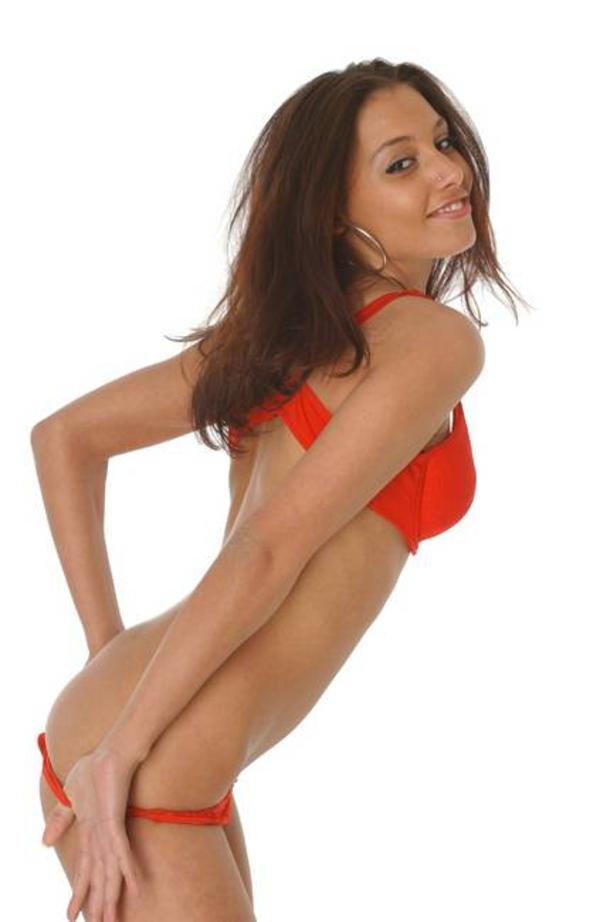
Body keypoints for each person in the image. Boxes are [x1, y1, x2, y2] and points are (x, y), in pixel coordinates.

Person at [32, 59, 529, 921]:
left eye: (444, 142)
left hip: (154, 746)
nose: (449, 172)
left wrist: (112, 675)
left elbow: (64, 440)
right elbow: (267, 549)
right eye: (401, 163)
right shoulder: (434, 341)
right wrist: (117, 746)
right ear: (335, 210)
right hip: (144, 765)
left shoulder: (285, 337)